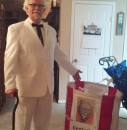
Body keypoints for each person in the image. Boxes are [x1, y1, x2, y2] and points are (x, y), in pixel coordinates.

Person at [4, 0, 81, 130]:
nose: (37, 8)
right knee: (22, 125)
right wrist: (10, 84)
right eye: (33, 5)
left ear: (44, 9)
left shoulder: (51, 31)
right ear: (26, 8)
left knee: (43, 124)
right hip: (26, 87)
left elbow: (59, 54)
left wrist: (73, 71)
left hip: (47, 87)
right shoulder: (15, 29)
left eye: (41, 5)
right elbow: (10, 58)